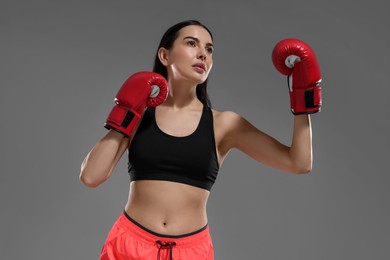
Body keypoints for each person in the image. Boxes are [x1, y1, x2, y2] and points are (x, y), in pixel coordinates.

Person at [79, 20, 322, 260]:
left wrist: (303, 102)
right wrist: (126, 113)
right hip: (129, 246)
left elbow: (298, 163)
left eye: (209, 49)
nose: (203, 54)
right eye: (191, 44)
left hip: (191, 251)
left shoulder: (225, 124)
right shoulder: (140, 115)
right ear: (165, 55)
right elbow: (91, 176)